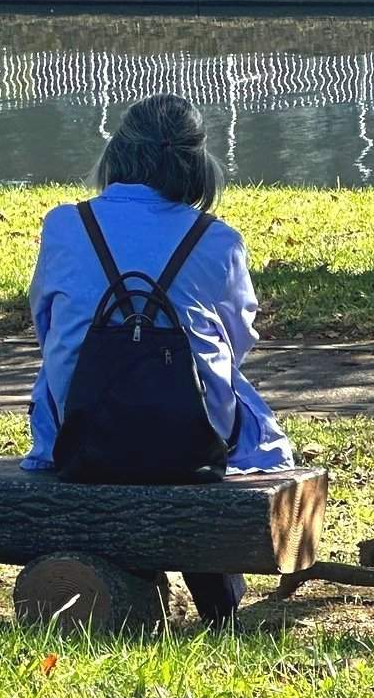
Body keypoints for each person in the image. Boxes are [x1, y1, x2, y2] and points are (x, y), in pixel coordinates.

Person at [23, 94, 293, 622]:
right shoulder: (216, 238)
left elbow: (47, 325)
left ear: (118, 153)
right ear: (195, 162)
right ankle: (219, 599)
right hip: (188, 431)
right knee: (230, 401)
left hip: (82, 428)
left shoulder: (64, 225)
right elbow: (237, 340)